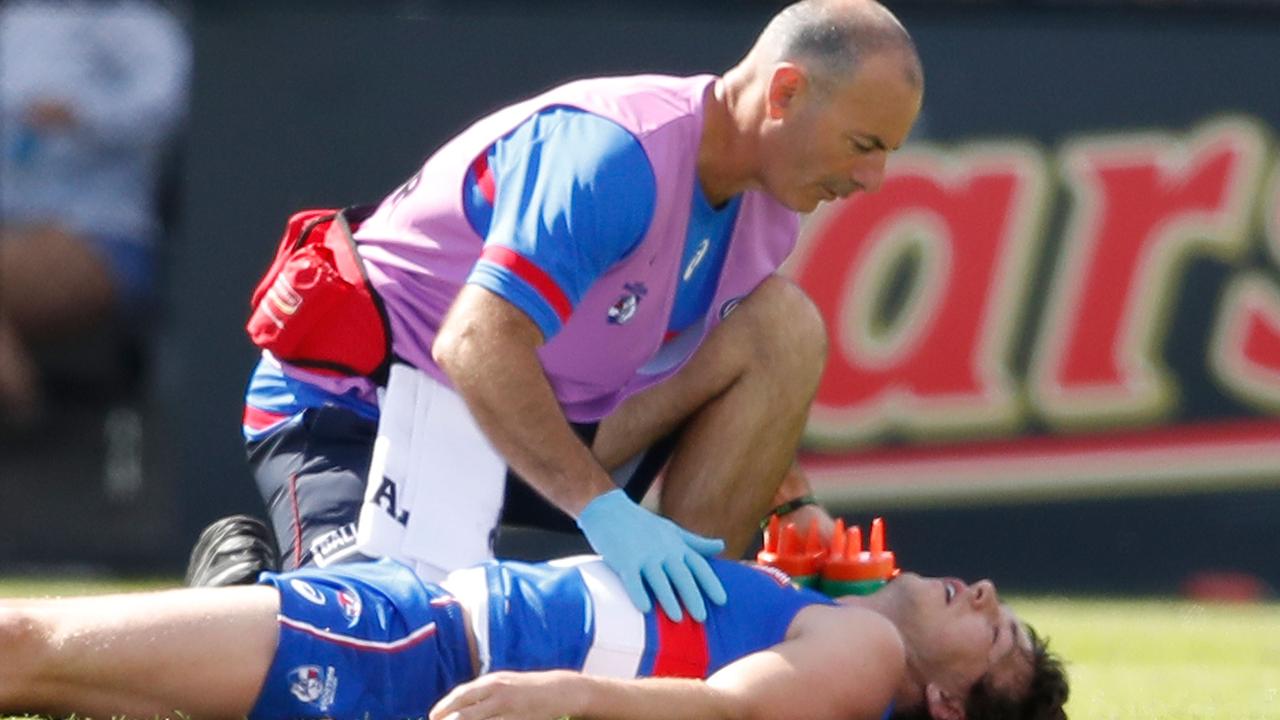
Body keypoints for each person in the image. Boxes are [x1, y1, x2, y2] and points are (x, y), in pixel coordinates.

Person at [208, 0, 924, 626]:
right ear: (786, 93)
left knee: (784, 329)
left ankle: (683, 634)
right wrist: (602, 510)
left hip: (523, 428)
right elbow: (475, 342)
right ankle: (232, 587)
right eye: (864, 146)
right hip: (363, 406)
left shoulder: (773, 209)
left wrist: (788, 501)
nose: (872, 179)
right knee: (372, 650)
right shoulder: (616, 154)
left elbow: (687, 371)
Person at [0, 555, 1067, 719]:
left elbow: (730, 708)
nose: (980, 594)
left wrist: (562, 695)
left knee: (30, 644)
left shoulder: (868, 659)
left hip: (416, 648)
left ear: (945, 704)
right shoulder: (840, 606)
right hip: (416, 622)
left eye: (998, 637)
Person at [0, 0, 191, 426]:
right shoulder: (18, 22)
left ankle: (26, 422)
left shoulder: (140, 27)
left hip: (104, 236)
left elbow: (170, 108)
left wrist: (82, 114)